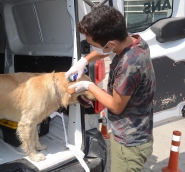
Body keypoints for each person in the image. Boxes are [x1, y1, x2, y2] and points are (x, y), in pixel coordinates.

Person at [65, 5, 156, 172]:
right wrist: (84, 61)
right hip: (134, 131)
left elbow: (115, 105)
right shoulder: (135, 42)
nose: (93, 48)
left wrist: (88, 85)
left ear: (111, 44)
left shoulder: (130, 64)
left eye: (94, 45)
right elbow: (105, 51)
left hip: (129, 143)